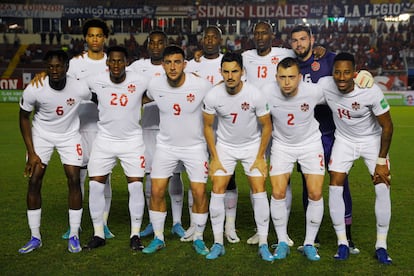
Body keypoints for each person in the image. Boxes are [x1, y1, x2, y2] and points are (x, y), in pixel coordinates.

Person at [289, 25, 359, 254]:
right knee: (309, 187)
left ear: (312, 39)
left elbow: (350, 73)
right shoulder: (291, 65)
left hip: (332, 135)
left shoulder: (329, 60)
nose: (299, 44)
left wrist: (365, 74)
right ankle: (314, 237)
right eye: (295, 40)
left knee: (340, 184)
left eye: (303, 39)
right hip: (307, 138)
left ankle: (347, 238)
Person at [320, 52, 393, 264]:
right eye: (337, 72)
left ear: (354, 72)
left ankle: (381, 245)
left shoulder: (369, 90)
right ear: (332, 72)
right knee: (335, 185)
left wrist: (381, 161)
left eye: (346, 72)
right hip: (344, 141)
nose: (341, 77)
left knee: (382, 186)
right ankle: (342, 242)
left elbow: (387, 126)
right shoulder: (326, 85)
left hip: (372, 141)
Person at [202, 52, 273, 261]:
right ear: (221, 72)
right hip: (225, 147)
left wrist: (260, 156)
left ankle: (263, 243)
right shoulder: (213, 95)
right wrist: (214, 157)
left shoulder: (255, 94)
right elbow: (207, 126)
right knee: (217, 190)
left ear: (242, 72)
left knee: (259, 191)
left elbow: (267, 126)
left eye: (235, 71)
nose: (230, 76)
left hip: (252, 147)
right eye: (226, 71)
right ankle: (217, 243)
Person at [18, 49, 90, 254]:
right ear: (45, 68)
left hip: (69, 136)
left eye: (58, 66)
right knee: (34, 180)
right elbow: (23, 117)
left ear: (66, 67)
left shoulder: (79, 87)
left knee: (74, 180)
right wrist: (31, 152)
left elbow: (97, 97)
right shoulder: (35, 88)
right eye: (50, 67)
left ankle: (74, 234)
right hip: (42, 135)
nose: (54, 70)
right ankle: (35, 236)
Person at [142, 45, 211, 255]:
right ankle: (158, 238)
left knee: (199, 192)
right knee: (156, 191)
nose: (173, 67)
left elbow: (221, 95)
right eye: (169, 62)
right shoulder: (154, 85)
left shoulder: (201, 85)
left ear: (185, 64)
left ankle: (198, 237)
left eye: (177, 62)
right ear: (162, 65)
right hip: (166, 146)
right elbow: (139, 97)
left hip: (195, 147)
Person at [83, 46, 149, 251]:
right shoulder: (95, 80)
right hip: (105, 140)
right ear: (107, 63)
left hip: (132, 141)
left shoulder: (140, 80)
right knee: (95, 185)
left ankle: (135, 234)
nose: (116, 65)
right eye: (112, 61)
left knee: (136, 186)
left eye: (120, 61)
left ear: (126, 62)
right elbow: (71, 86)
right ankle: (98, 233)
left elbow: (164, 86)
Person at [262, 57, 325, 261]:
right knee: (278, 192)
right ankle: (282, 242)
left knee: (315, 193)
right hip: (282, 145)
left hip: (310, 144)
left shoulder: (313, 91)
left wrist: (361, 76)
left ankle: (309, 243)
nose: (287, 82)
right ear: (276, 77)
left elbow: (339, 88)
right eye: (282, 77)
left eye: (291, 77)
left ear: (300, 77)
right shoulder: (267, 92)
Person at [242, 21, 296, 246]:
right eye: (257, 33)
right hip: (257, 125)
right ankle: (260, 227)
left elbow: (307, 55)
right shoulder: (245, 56)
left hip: (282, 123)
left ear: (272, 35)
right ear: (253, 36)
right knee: (258, 177)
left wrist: (321, 50)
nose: (260, 36)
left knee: (284, 177)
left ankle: (282, 228)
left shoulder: (285, 52)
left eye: (264, 32)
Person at [185, 25, 240, 244]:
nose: (209, 40)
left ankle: (230, 226)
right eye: (205, 37)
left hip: (224, 129)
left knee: (229, 179)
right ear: (201, 40)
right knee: (196, 179)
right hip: (197, 129)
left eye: (213, 37)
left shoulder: (228, 64)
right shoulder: (190, 64)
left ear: (220, 39)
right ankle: (193, 224)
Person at [128, 30, 186, 239]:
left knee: (175, 175)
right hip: (147, 129)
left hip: (172, 128)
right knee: (150, 176)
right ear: (148, 45)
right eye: (152, 42)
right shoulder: (137, 67)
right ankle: (153, 221)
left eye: (160, 42)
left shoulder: (173, 65)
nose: (155, 45)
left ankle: (177, 221)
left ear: (165, 44)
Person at [63, 18, 115, 240]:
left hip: (105, 127)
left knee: (105, 177)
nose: (95, 39)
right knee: (78, 177)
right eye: (91, 35)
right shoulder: (74, 64)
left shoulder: (113, 62)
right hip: (79, 126)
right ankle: (77, 224)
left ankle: (103, 224)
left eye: (99, 35)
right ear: (86, 38)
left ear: (105, 38)